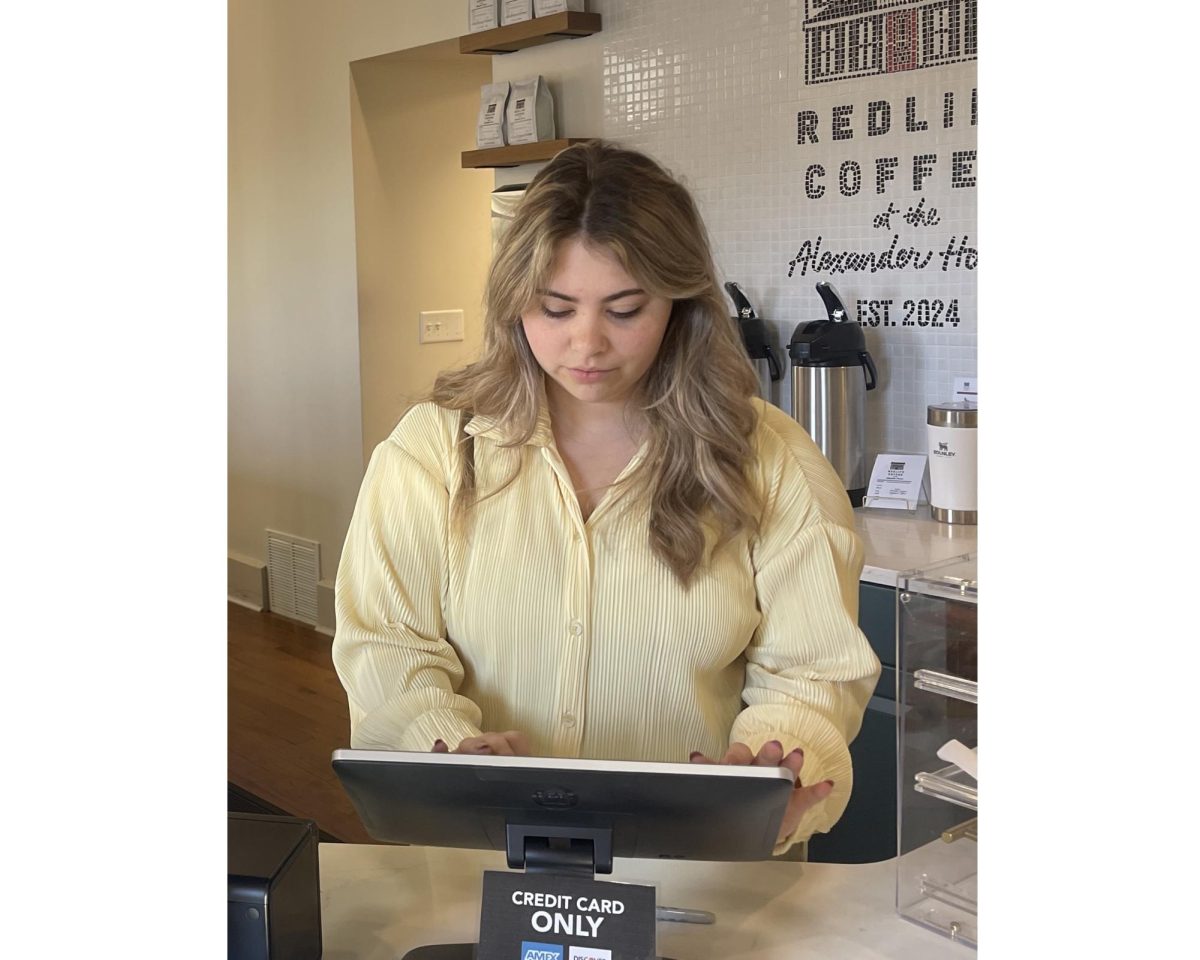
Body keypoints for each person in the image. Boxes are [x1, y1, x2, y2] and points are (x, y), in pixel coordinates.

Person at [332, 140, 881, 855]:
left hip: (697, 878)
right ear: (511, 304)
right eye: (555, 308)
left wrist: (776, 768)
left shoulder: (769, 462)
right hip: (479, 868)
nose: (585, 343)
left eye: (625, 309)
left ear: (682, 305)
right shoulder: (435, 452)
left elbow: (813, 676)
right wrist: (442, 748)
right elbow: (386, 644)